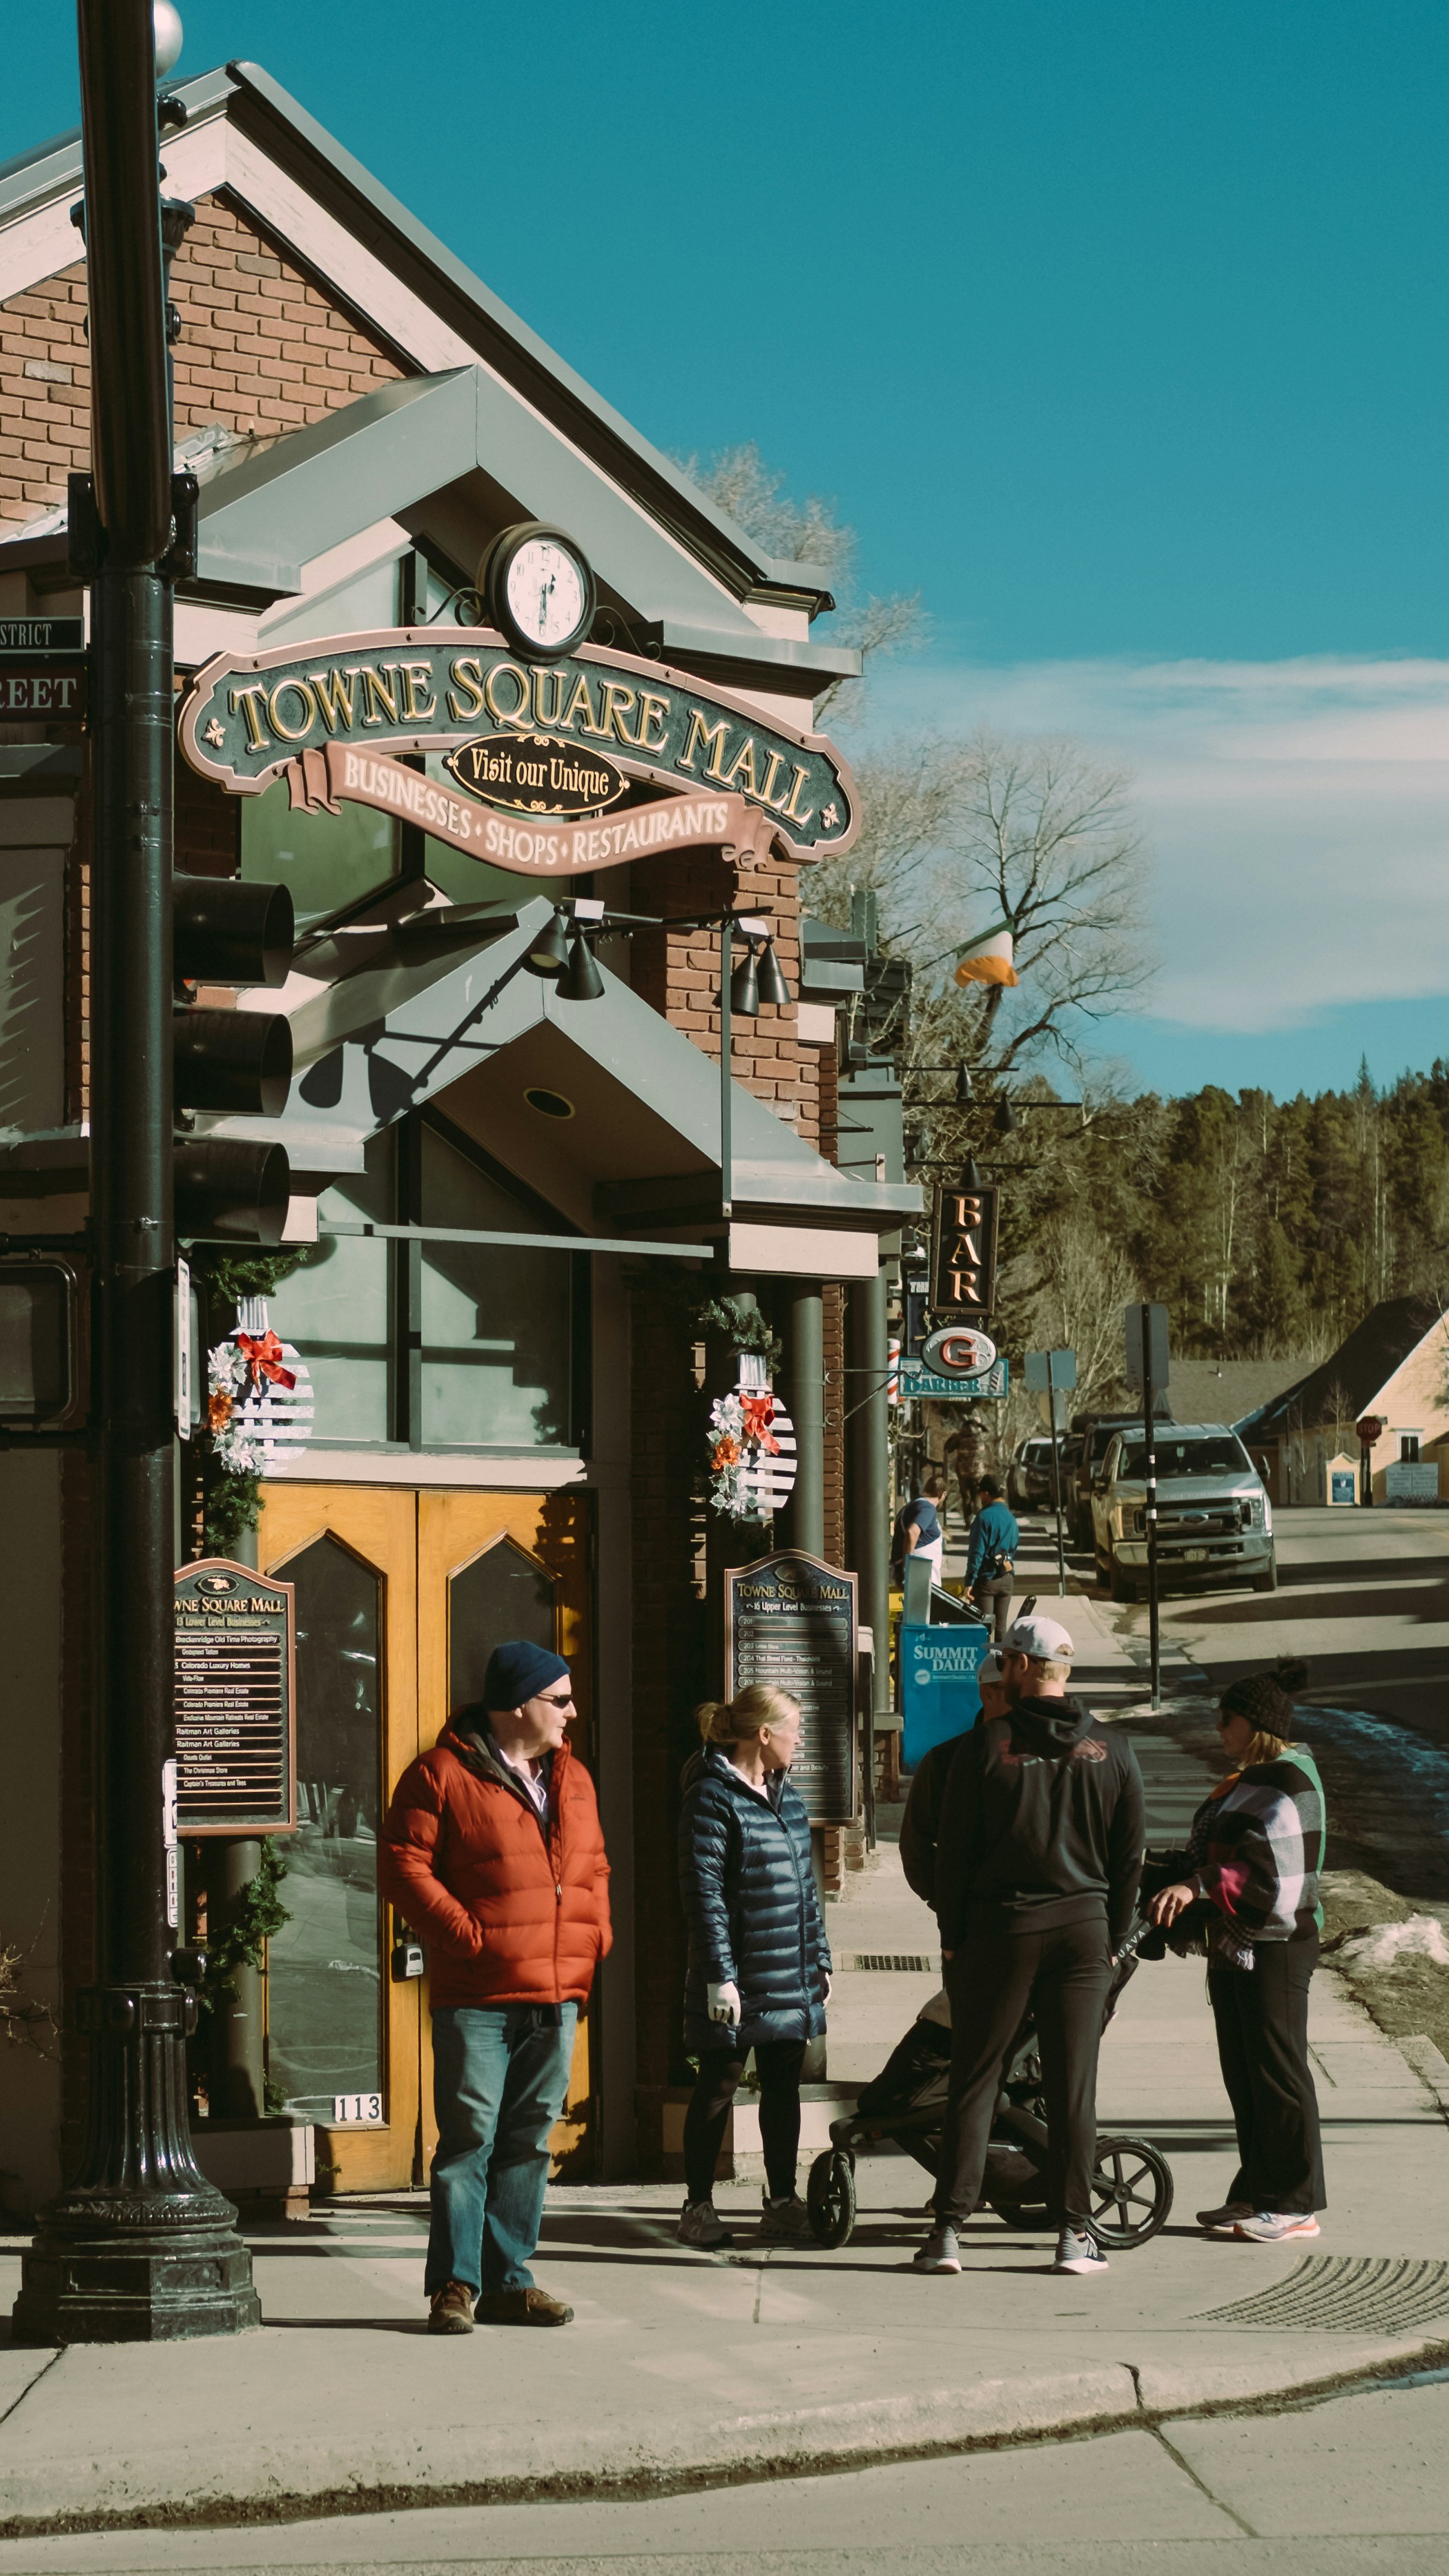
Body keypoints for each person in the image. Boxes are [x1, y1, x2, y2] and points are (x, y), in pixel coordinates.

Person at [379, 1639, 611, 2335]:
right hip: (476, 1995)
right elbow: (402, 1867)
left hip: (555, 1992)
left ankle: (509, 2281)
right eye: (560, 1700)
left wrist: (594, 1942)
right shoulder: (439, 1775)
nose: (572, 1713)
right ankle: (455, 2286)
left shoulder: (572, 1778)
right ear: (517, 1705)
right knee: (468, 2141)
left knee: (527, 2140)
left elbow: (594, 1869)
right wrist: (467, 1936)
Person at [917, 1614, 1145, 2279]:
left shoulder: (984, 1749)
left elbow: (953, 1857)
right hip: (1083, 1933)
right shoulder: (1113, 1749)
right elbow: (1127, 1859)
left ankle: (948, 2233)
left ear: (1019, 1666)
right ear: (1064, 1672)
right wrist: (1113, 1938)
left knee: (976, 2080)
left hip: (1001, 1930)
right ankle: (1074, 2233)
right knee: (1074, 2087)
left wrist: (952, 1940)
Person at [1147, 1659, 1326, 2243]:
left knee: (1277, 2071)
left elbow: (1272, 1877)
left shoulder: (1289, 1781)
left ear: (1255, 1724)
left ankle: (1295, 2202)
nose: (1217, 1729)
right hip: (1239, 1943)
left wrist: (1196, 1885)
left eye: (1225, 1720)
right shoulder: (1256, 1776)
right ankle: (1257, 2190)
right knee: (1245, 2072)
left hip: (1275, 1945)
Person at [677, 1685, 831, 2248]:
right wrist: (719, 1973)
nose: (800, 1739)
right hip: (737, 1973)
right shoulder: (711, 1796)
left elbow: (806, 1888)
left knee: (782, 2087)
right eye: (793, 1729)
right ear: (763, 1735)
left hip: (788, 1969)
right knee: (718, 2083)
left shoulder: (786, 1795)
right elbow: (704, 1893)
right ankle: (697, 2205)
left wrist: (820, 1958)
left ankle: (781, 2201)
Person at [899, 1655, 1009, 1904]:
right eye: (1017, 1692)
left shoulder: (1048, 1757)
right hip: (976, 1918)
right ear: (988, 1694)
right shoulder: (945, 1760)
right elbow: (916, 1845)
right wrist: (949, 1903)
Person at [964, 1477, 1020, 1641]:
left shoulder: (983, 1518)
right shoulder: (1011, 1518)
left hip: (986, 1581)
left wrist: (969, 1581)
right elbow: (1014, 1546)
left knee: (984, 1629)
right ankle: (1003, 1665)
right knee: (1001, 1629)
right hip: (1006, 1578)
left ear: (986, 1494)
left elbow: (976, 1553)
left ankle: (986, 1666)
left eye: (981, 1494)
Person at [893, 1471, 947, 1584]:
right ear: (943, 1495)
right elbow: (912, 1532)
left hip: (916, 1574)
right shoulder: (928, 1508)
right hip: (922, 1577)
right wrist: (908, 1565)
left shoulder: (911, 1507)